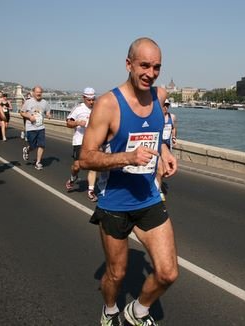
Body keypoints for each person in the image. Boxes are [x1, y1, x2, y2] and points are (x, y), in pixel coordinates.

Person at [79, 37, 178, 326]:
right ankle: (110, 309)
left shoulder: (158, 96)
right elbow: (85, 158)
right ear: (129, 64)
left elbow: (155, 134)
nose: (150, 72)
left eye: (157, 67)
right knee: (116, 275)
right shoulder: (108, 104)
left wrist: (165, 151)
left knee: (168, 273)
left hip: (148, 196)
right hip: (115, 203)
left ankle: (137, 311)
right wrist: (127, 158)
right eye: (144, 65)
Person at [65, 87, 98, 202]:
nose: (91, 102)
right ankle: (73, 178)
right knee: (77, 166)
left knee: (93, 166)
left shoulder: (97, 108)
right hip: (79, 141)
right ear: (84, 98)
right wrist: (78, 122)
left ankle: (91, 190)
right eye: (89, 100)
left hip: (93, 142)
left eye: (93, 99)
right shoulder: (78, 109)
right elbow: (68, 123)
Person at [20, 86, 51, 170]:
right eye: (37, 92)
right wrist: (29, 116)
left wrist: (48, 114)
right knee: (33, 146)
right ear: (33, 93)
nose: (39, 94)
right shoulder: (28, 102)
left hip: (41, 127)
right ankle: (27, 149)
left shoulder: (45, 102)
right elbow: (22, 112)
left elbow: (48, 110)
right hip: (31, 127)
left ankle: (38, 162)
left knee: (42, 145)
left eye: (40, 92)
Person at [155, 99, 177, 201]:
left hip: (167, 147)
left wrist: (174, 138)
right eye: (164, 105)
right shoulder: (155, 117)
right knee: (159, 168)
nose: (165, 107)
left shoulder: (172, 117)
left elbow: (174, 128)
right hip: (157, 146)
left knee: (163, 169)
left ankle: (157, 183)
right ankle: (158, 190)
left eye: (167, 105)